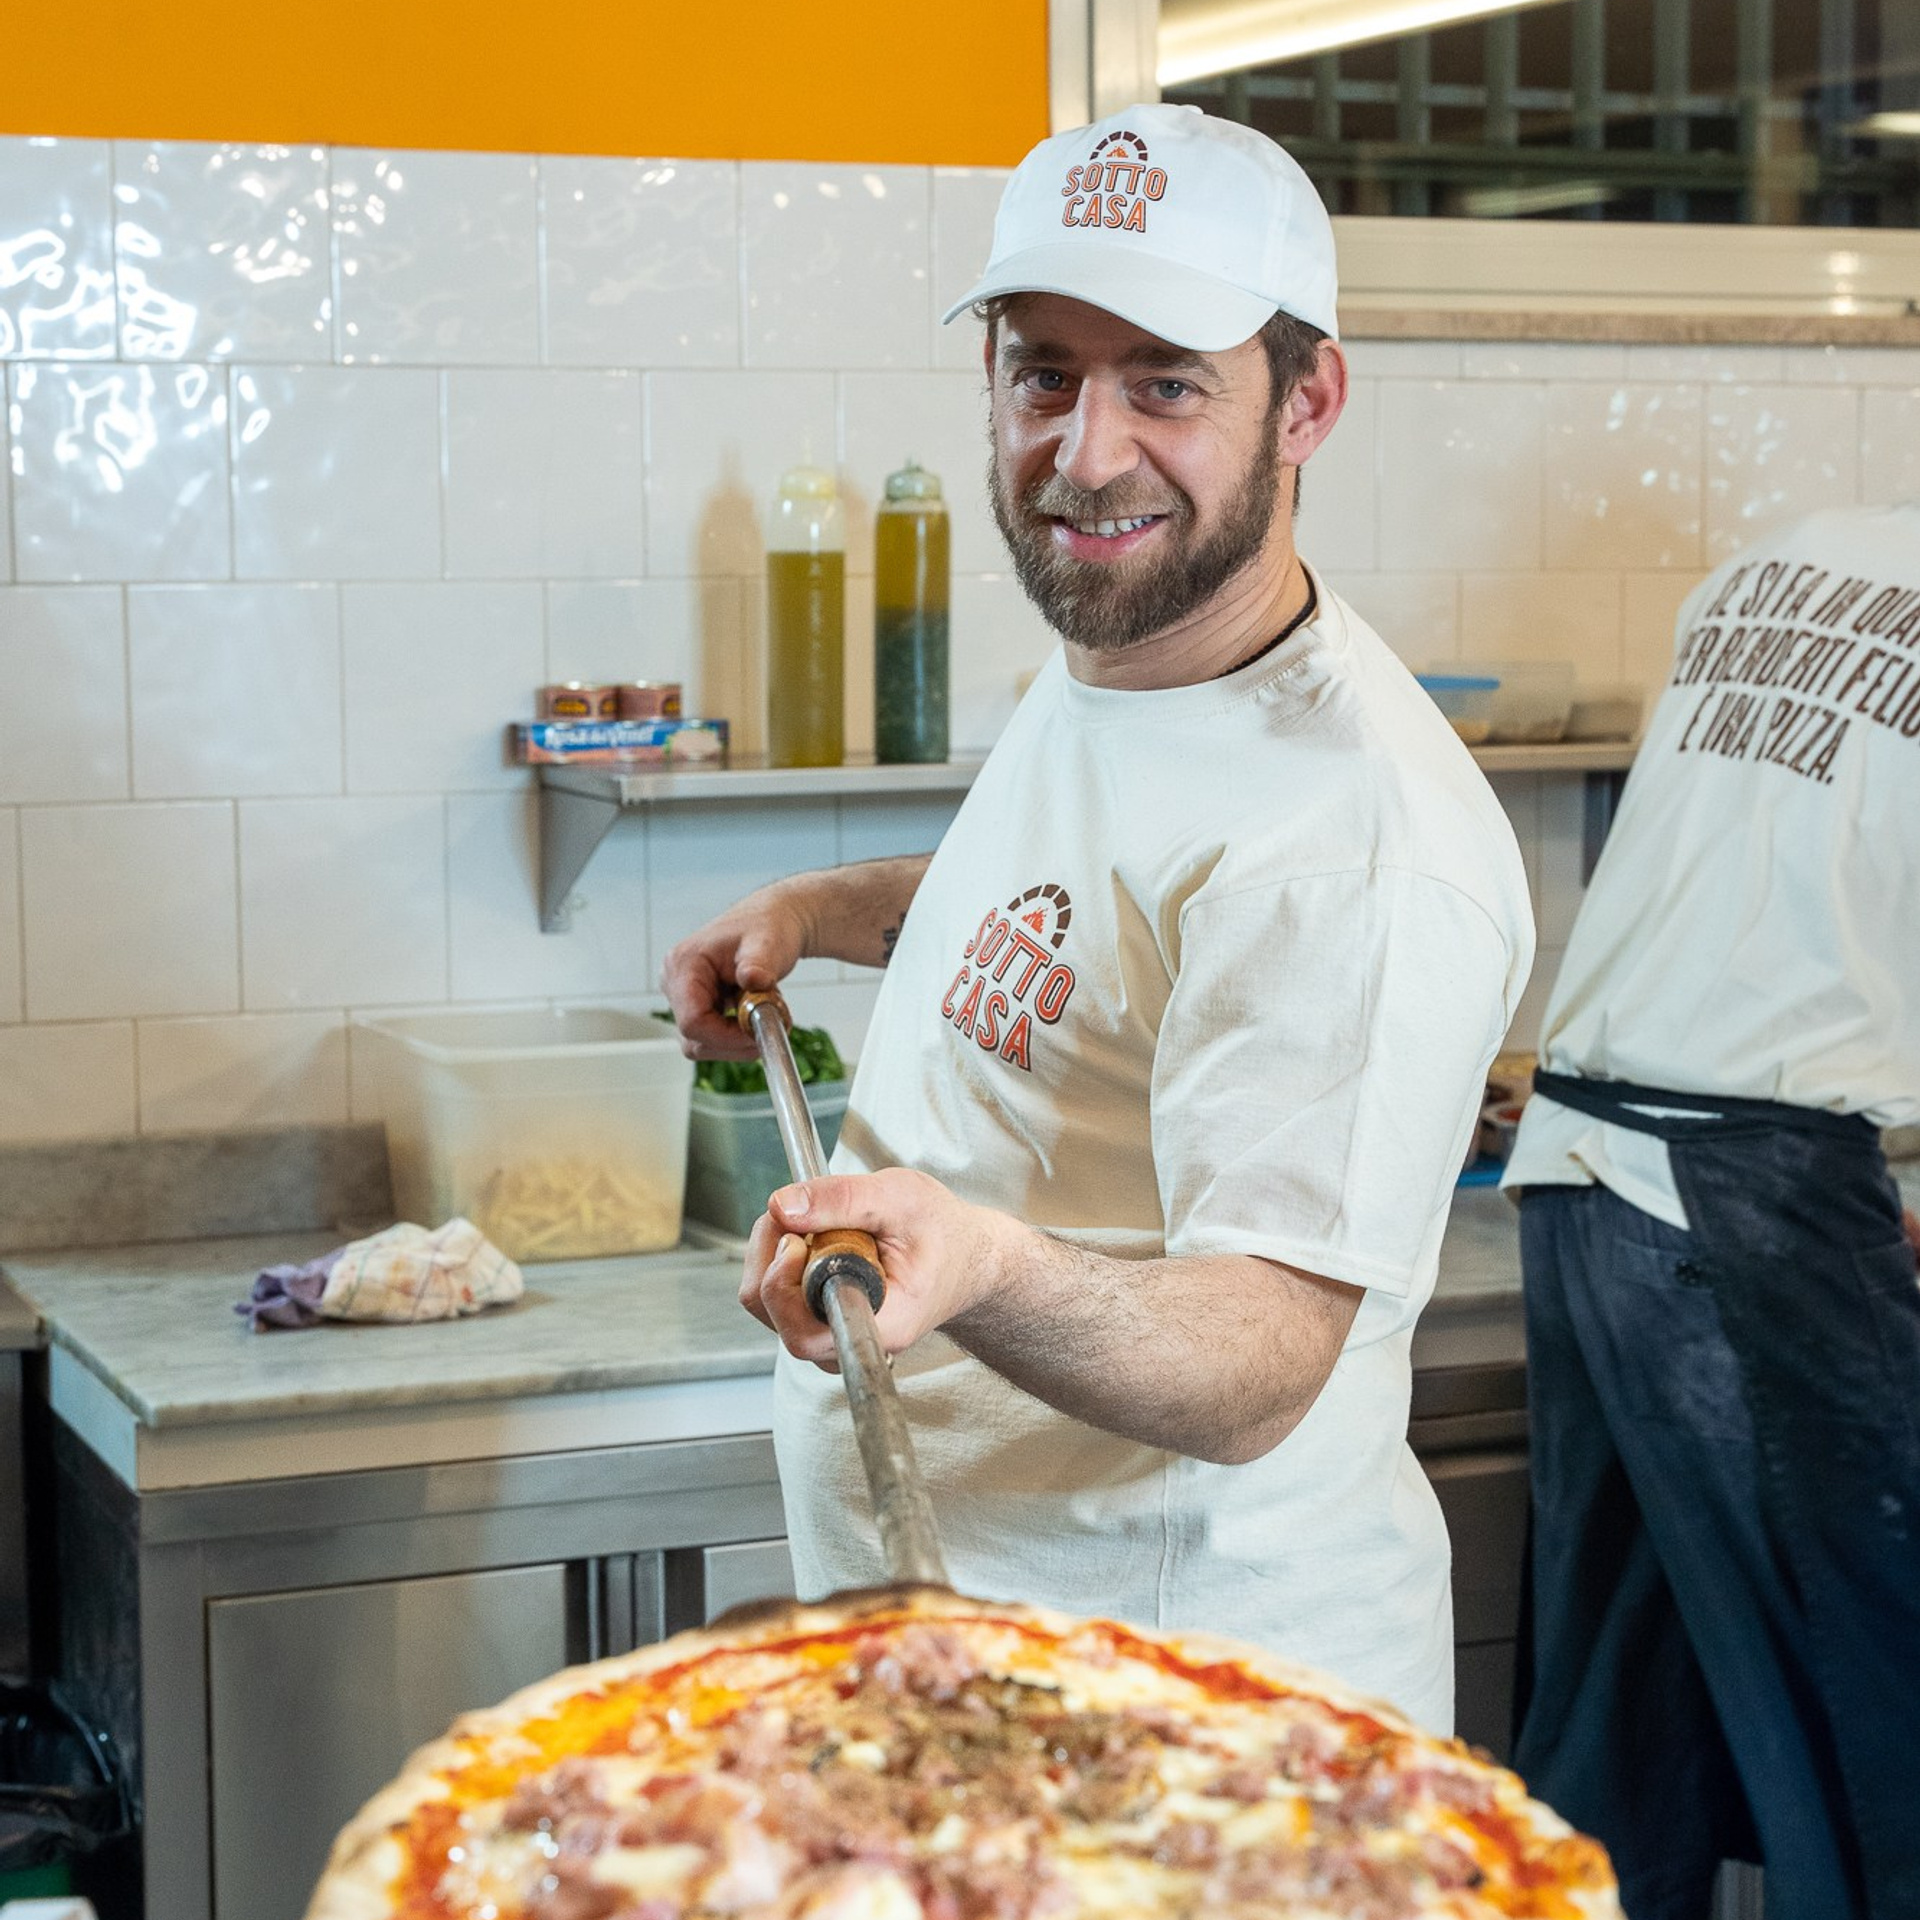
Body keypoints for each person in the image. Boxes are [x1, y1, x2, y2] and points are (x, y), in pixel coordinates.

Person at [663, 102, 1532, 1734]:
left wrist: (975, 1259)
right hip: (984, 1678)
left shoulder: (1353, 834)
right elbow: (1095, 924)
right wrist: (826, 909)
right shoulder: (1130, 664)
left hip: (1199, 1753)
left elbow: (1258, 1353)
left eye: (1167, 383)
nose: (1087, 450)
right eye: (1043, 373)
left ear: (1309, 402)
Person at [1502, 499, 1920, 1920]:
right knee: (1884, 1736)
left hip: (1576, 1166)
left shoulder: (1785, 558)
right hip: (1748, 1206)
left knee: (1619, 1735)